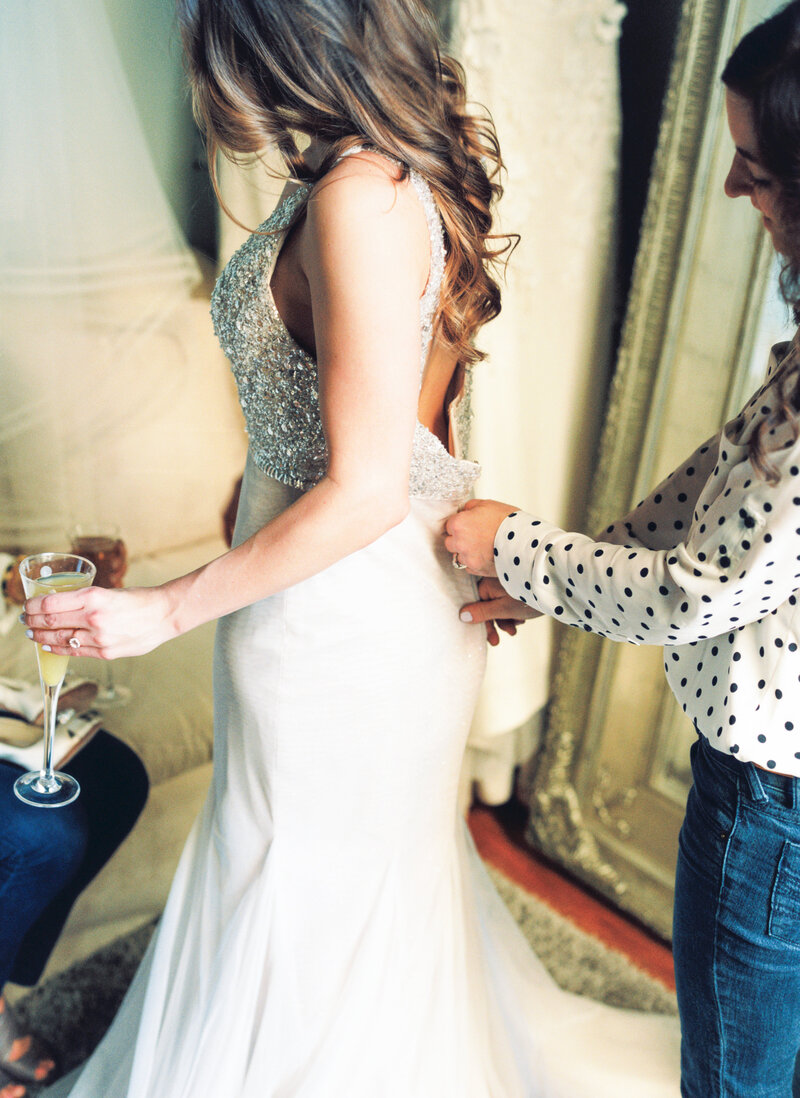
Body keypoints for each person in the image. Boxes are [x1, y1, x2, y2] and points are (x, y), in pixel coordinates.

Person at [25, 2, 679, 1094]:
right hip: (338, 583)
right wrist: (261, 492)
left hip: (338, 613)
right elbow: (392, 425)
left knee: (303, 880)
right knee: (314, 877)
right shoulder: (373, 169)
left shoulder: (354, 198)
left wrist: (165, 609)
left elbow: (369, 485)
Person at [446, 4, 800, 1095]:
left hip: (769, 807)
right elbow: (716, 485)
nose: (734, 193)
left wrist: (515, 548)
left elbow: (704, 586)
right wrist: (561, 576)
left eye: (755, 169)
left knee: (733, 1072)